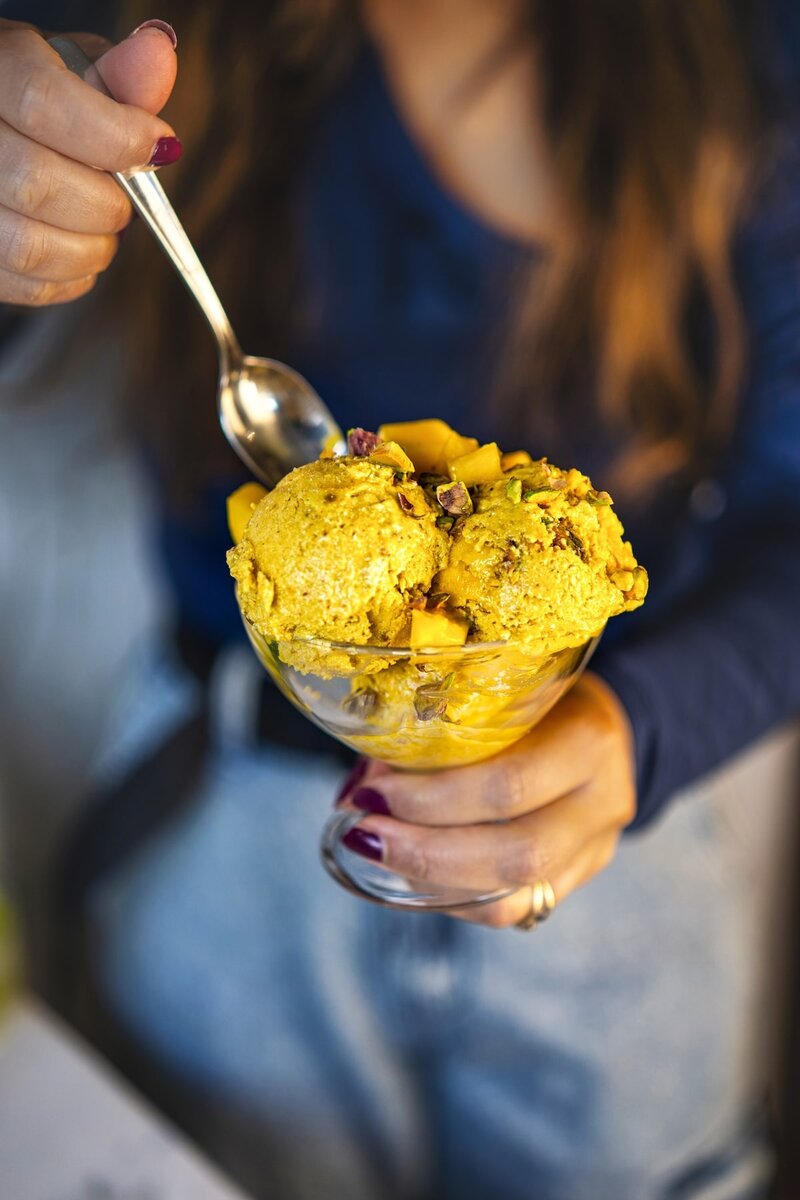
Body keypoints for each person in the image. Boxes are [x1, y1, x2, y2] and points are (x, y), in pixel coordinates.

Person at [0, 2, 798, 1197]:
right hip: (227, 838)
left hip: (618, 840)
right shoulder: (149, 34)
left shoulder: (751, 52)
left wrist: (641, 727)